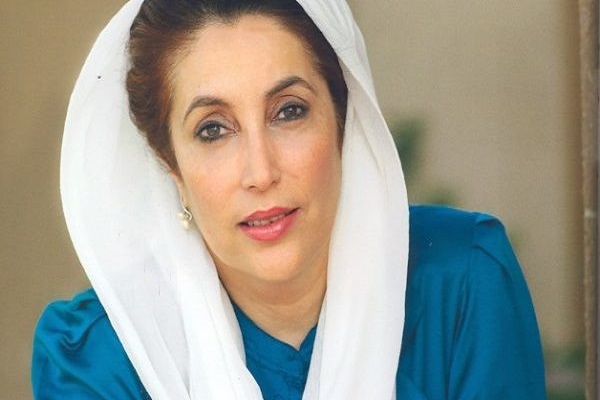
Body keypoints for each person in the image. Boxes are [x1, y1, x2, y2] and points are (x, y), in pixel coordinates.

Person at [31, 0, 546, 398]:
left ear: (344, 123)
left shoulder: (462, 282)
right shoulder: (98, 356)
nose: (261, 172)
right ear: (172, 167)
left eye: (288, 112)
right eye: (213, 130)